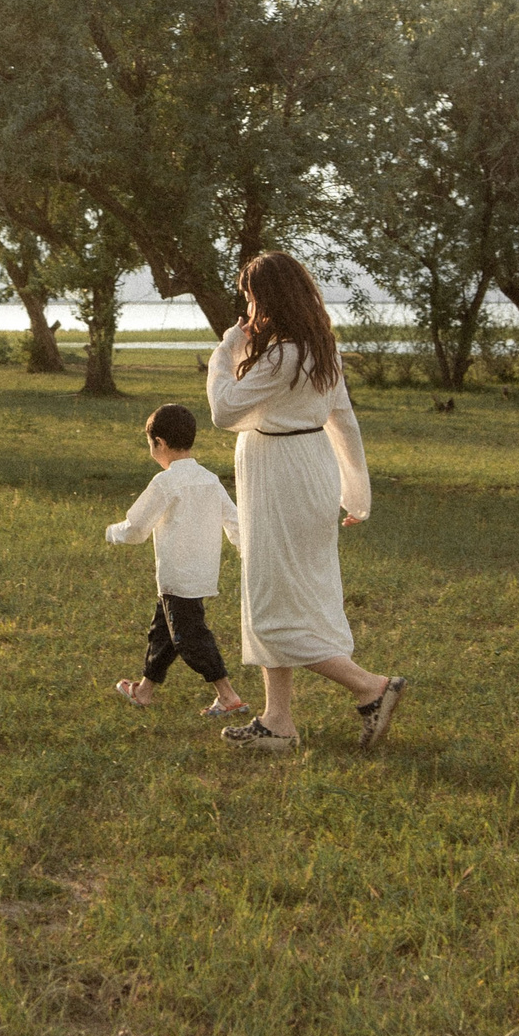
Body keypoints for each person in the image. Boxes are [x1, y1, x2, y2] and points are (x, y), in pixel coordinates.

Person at [204, 250, 404, 752]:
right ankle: (277, 721)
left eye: (251, 298)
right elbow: (344, 422)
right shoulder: (320, 349)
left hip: (280, 478)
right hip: (309, 471)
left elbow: (224, 411)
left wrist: (226, 349)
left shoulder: (284, 355)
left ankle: (370, 687)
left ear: (270, 298)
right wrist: (356, 494)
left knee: (273, 601)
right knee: (282, 593)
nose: (248, 309)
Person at [106, 403, 250, 719]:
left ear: (160, 443)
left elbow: (137, 528)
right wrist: (248, 553)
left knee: (189, 638)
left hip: (177, 577)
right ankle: (143, 691)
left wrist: (112, 532)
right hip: (199, 575)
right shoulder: (210, 479)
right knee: (164, 632)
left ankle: (228, 696)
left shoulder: (165, 483)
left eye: (150, 444)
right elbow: (236, 523)